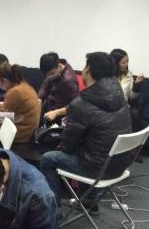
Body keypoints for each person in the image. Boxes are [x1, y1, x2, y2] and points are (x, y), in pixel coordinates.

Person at [40, 52, 132, 208]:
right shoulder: (119, 94)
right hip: (121, 164)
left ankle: (54, 208)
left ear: (88, 70)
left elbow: (68, 146)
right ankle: (89, 201)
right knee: (90, 148)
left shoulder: (82, 103)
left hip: (97, 169)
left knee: (48, 159)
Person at [0, 63, 40, 143]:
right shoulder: (25, 86)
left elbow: (2, 118)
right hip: (30, 133)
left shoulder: (14, 92)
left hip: (20, 135)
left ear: (4, 80)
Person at [38, 52, 79, 122]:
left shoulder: (69, 81)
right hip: (48, 107)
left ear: (59, 66)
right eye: (47, 75)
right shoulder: (55, 66)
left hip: (59, 115)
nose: (49, 77)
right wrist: (39, 99)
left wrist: (56, 113)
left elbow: (76, 106)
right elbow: (45, 85)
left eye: (51, 74)